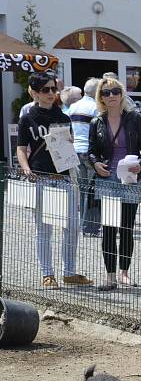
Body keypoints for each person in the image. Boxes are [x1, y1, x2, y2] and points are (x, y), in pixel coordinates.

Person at [16, 72, 93, 289]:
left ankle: (69, 272)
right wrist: (26, 168)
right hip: (41, 177)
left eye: (53, 89)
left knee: (71, 226)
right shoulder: (27, 118)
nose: (51, 93)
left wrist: (68, 145)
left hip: (64, 176)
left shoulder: (63, 117)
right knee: (44, 228)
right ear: (34, 92)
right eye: (45, 90)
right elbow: (21, 149)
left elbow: (67, 148)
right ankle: (47, 274)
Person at [88, 76, 141, 291]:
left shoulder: (133, 119)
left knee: (126, 228)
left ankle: (124, 273)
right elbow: (91, 152)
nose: (112, 95)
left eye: (115, 91)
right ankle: (110, 276)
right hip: (107, 180)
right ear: (101, 97)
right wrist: (96, 164)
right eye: (106, 92)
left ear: (122, 94)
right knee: (108, 229)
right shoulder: (96, 122)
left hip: (129, 179)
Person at [68, 76, 101, 236]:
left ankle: (82, 225)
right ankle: (91, 226)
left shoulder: (73, 107)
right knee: (94, 190)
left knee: (81, 189)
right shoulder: (96, 107)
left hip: (74, 151)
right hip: (90, 152)